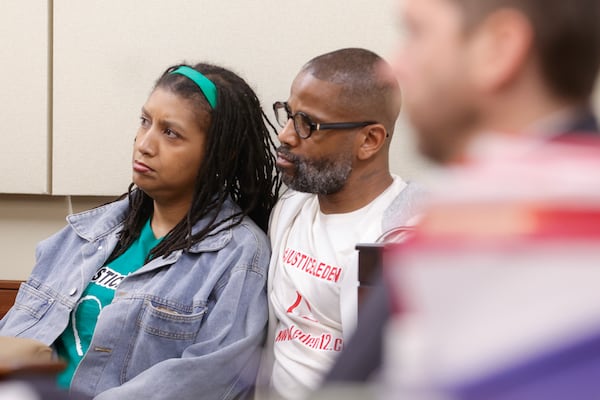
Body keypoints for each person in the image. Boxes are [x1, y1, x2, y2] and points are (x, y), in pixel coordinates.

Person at [323, 0, 600, 392]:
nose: (392, 67)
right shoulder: (467, 212)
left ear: (499, 48)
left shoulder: (539, 232)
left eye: (417, 33)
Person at [0, 62, 281, 399]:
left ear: (218, 154)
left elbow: (207, 382)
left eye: (171, 133)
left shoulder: (239, 254)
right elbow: (21, 338)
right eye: (145, 121)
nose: (145, 144)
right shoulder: (88, 232)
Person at [256, 48, 425, 399]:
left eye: (307, 124)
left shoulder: (406, 244)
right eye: (288, 114)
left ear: (369, 140)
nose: (286, 135)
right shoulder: (290, 210)